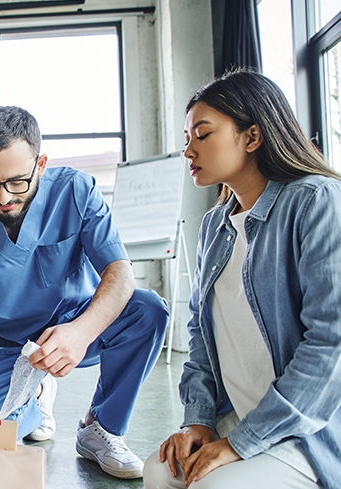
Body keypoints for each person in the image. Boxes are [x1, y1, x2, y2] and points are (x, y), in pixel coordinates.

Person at [0, 105, 169, 479]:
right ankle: (34, 395)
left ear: (41, 164)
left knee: (149, 310)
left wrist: (81, 333)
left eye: (17, 182)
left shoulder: (77, 190)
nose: (3, 197)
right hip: (10, 343)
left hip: (81, 324)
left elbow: (120, 274)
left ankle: (102, 428)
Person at [143, 70, 341, 489]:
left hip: (308, 428)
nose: (188, 150)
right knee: (161, 472)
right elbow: (200, 333)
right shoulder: (214, 225)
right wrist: (198, 420)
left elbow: (331, 343)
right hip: (244, 412)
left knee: (211, 485)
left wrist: (241, 443)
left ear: (252, 137)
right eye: (187, 137)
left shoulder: (316, 202)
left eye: (203, 134)